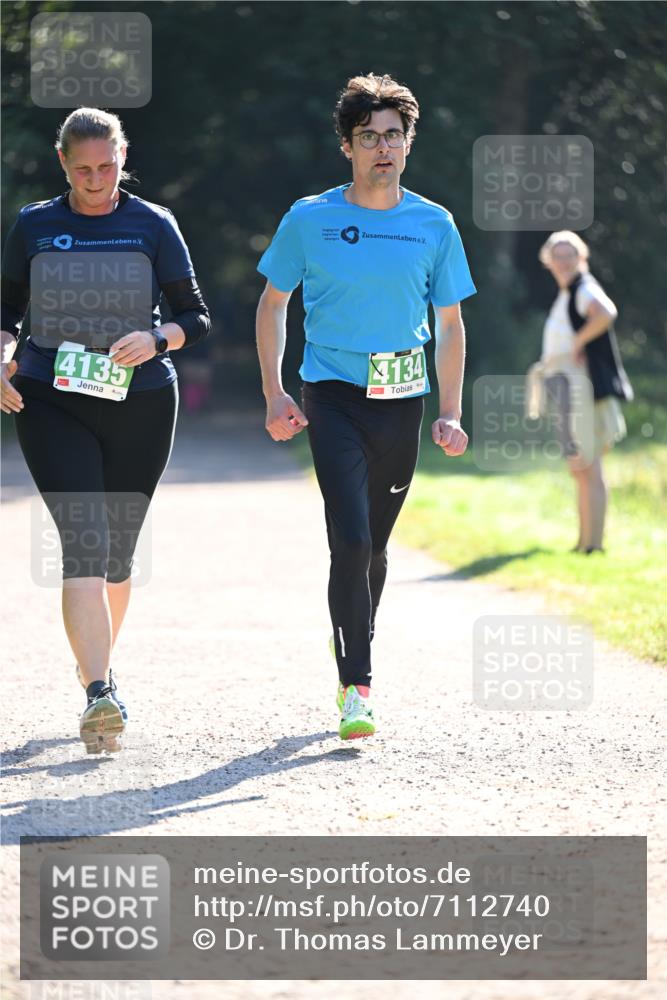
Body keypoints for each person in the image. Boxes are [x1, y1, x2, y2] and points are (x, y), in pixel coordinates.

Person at [255, 74, 476, 740]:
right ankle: (358, 685)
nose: (382, 148)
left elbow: (451, 323)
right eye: (368, 137)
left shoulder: (432, 223)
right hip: (332, 396)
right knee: (347, 537)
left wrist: (451, 409)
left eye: (392, 136)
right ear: (347, 147)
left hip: (400, 402)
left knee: (373, 549)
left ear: (407, 145)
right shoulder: (310, 218)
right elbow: (272, 304)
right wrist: (274, 391)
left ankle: (351, 635)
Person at [1, 108, 210, 752]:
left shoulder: (152, 224)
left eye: (108, 167)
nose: (96, 181)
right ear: (63, 163)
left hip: (141, 400)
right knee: (84, 543)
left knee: (117, 555)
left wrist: (156, 339)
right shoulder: (37, 225)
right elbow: (6, 312)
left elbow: (194, 317)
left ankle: (97, 666)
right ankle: (100, 692)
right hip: (49, 396)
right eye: (83, 169)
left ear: (123, 159)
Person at [532, 231, 632, 553]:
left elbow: (606, 312)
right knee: (580, 469)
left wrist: (578, 342)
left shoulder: (583, 289)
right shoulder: (567, 294)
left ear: (581, 258)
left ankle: (594, 545)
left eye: (569, 255)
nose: (563, 262)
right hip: (568, 389)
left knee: (589, 466)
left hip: (583, 390)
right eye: (557, 256)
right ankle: (584, 541)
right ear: (548, 261)